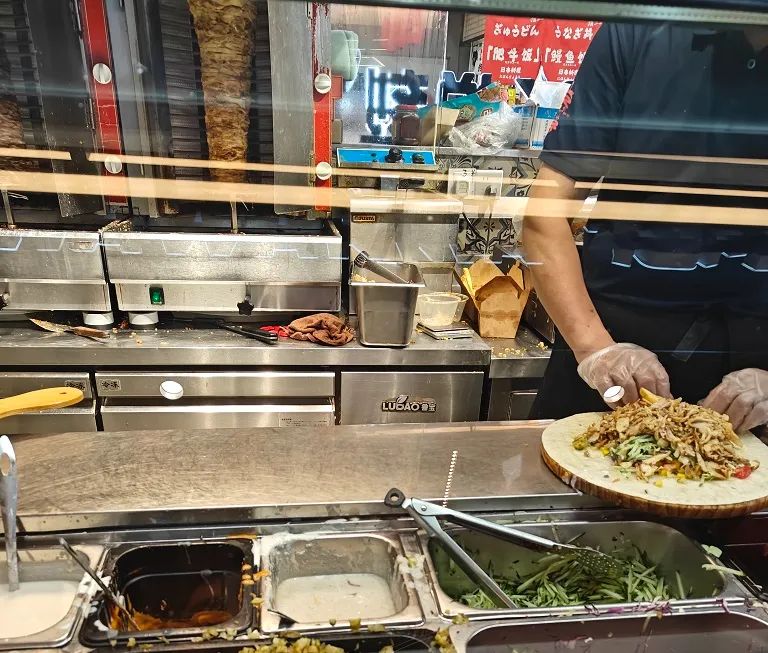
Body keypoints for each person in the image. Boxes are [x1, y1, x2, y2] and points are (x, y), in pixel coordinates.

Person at [524, 21, 768, 433]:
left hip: (757, 368)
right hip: (617, 343)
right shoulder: (637, 29)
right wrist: (596, 350)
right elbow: (544, 214)